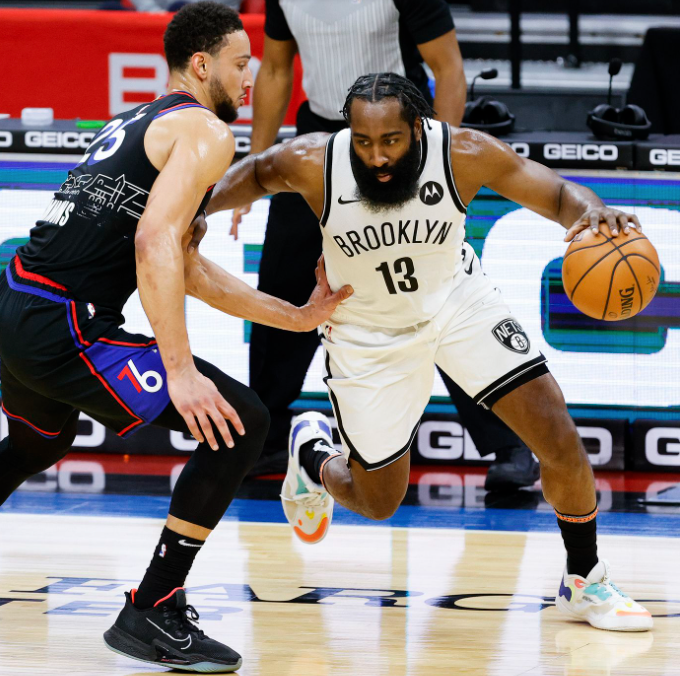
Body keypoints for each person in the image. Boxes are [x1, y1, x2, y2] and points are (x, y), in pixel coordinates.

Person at [205, 72, 653, 632]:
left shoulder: (462, 152)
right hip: (369, 333)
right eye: (363, 142)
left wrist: (590, 213)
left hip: (459, 306)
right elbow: (257, 171)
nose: (377, 157)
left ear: (417, 129)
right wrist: (200, 207)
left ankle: (584, 579)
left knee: (555, 434)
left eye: (390, 140)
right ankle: (313, 457)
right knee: (378, 501)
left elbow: (558, 193)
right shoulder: (314, 161)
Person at [0, 3, 350, 672]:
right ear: (202, 65)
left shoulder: (142, 118)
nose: (252, 78)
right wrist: (180, 370)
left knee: (39, 439)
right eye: (241, 63)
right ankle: (152, 608)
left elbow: (181, 265)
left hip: (17, 299)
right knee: (242, 421)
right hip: (62, 322)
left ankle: (154, 605)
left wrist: (297, 316)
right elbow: (154, 240)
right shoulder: (206, 132)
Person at [233, 0, 537, 490]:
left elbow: (447, 68)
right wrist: (255, 167)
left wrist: (439, 160)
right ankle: (266, 439)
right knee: (284, 284)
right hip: (319, 141)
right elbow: (273, 68)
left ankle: (506, 443)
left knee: (434, 297)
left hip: (396, 146)